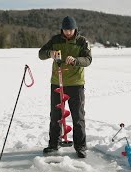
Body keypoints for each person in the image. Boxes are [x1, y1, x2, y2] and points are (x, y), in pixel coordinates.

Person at [38, 16, 92, 158]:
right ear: (62, 29)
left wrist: (76, 60)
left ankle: (80, 146)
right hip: (57, 82)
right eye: (65, 29)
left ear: (75, 29)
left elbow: (88, 60)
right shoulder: (55, 40)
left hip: (76, 84)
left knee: (78, 116)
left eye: (70, 29)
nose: (68, 32)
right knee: (55, 115)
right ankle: (53, 144)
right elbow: (40, 54)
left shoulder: (82, 41)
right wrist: (50, 53)